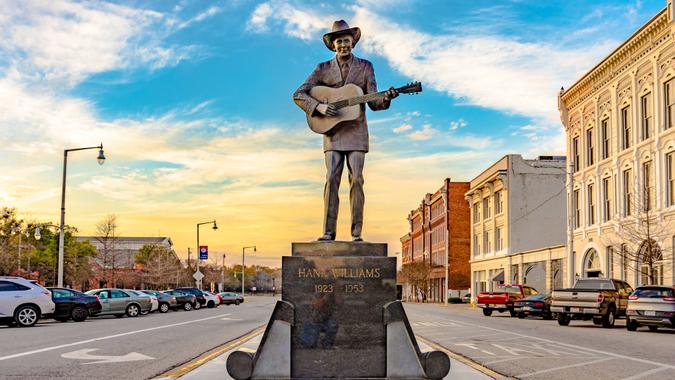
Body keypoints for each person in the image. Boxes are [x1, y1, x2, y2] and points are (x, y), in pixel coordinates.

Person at [293, 20, 398, 242]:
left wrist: (386, 99)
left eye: (347, 41)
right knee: (331, 179)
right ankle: (328, 232)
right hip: (331, 132)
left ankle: (356, 233)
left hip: (357, 131)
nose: (344, 45)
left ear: (353, 42)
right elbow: (299, 94)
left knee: (357, 179)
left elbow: (374, 102)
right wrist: (319, 106)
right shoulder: (322, 69)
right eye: (339, 41)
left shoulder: (366, 66)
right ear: (333, 45)